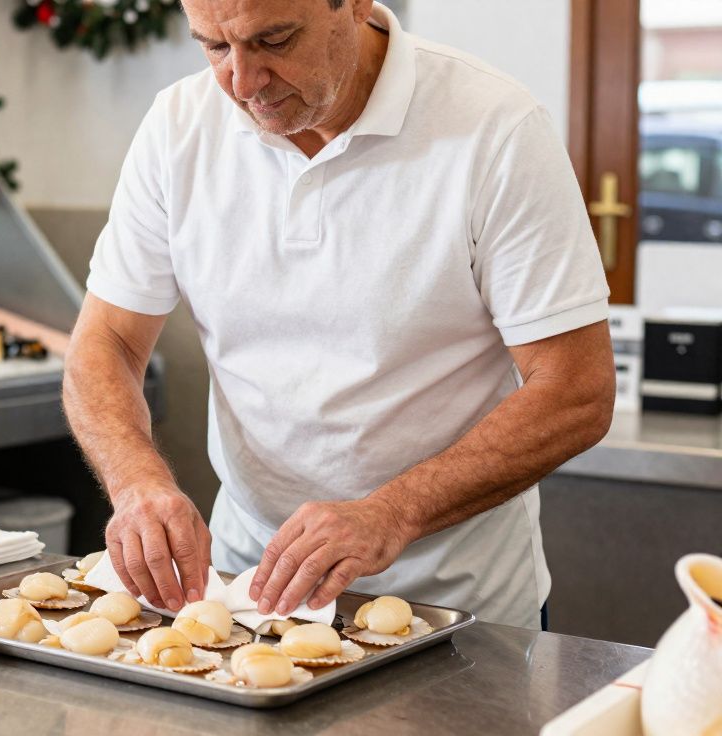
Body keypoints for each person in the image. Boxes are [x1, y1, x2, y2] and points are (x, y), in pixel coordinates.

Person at [62, 0, 615, 628]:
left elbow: (575, 391)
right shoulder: (178, 125)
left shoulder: (495, 128)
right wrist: (136, 481)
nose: (242, 84)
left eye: (274, 40)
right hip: (246, 592)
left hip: (458, 605)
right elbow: (107, 339)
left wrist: (391, 512)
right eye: (214, 47)